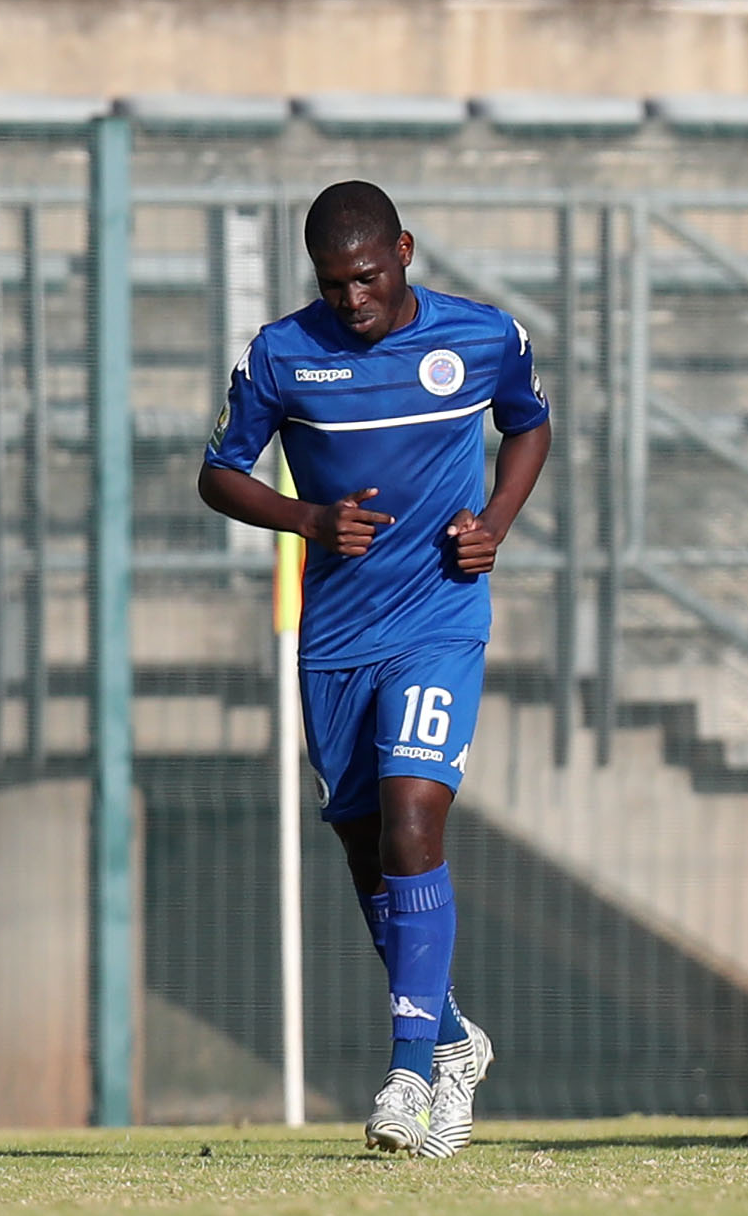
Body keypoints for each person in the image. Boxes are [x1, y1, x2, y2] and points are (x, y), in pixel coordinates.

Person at [199, 181, 552, 1158]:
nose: (353, 298)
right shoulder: (280, 353)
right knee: (371, 855)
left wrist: (495, 526)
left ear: (403, 249)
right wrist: (306, 520)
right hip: (335, 640)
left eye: (369, 275)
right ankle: (453, 1038)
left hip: (439, 621)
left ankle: (408, 1075)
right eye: (335, 282)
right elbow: (218, 470)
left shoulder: (483, 337)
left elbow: (529, 423)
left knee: (413, 816)